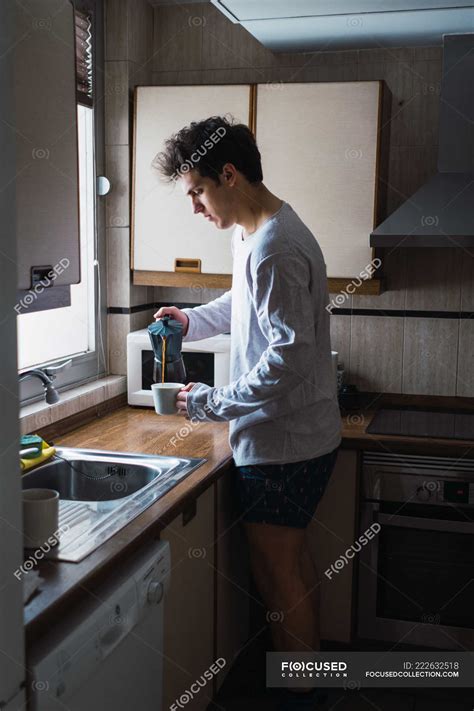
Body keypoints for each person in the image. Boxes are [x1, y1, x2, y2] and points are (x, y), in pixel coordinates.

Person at [153, 115, 341, 710]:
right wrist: (191, 320)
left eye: (197, 192)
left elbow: (287, 360)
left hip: (283, 444)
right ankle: (307, 687)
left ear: (227, 175)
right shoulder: (258, 233)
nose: (195, 207)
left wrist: (211, 402)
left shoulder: (276, 248)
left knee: (279, 576)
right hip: (295, 438)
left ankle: (301, 697)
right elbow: (243, 304)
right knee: (290, 565)